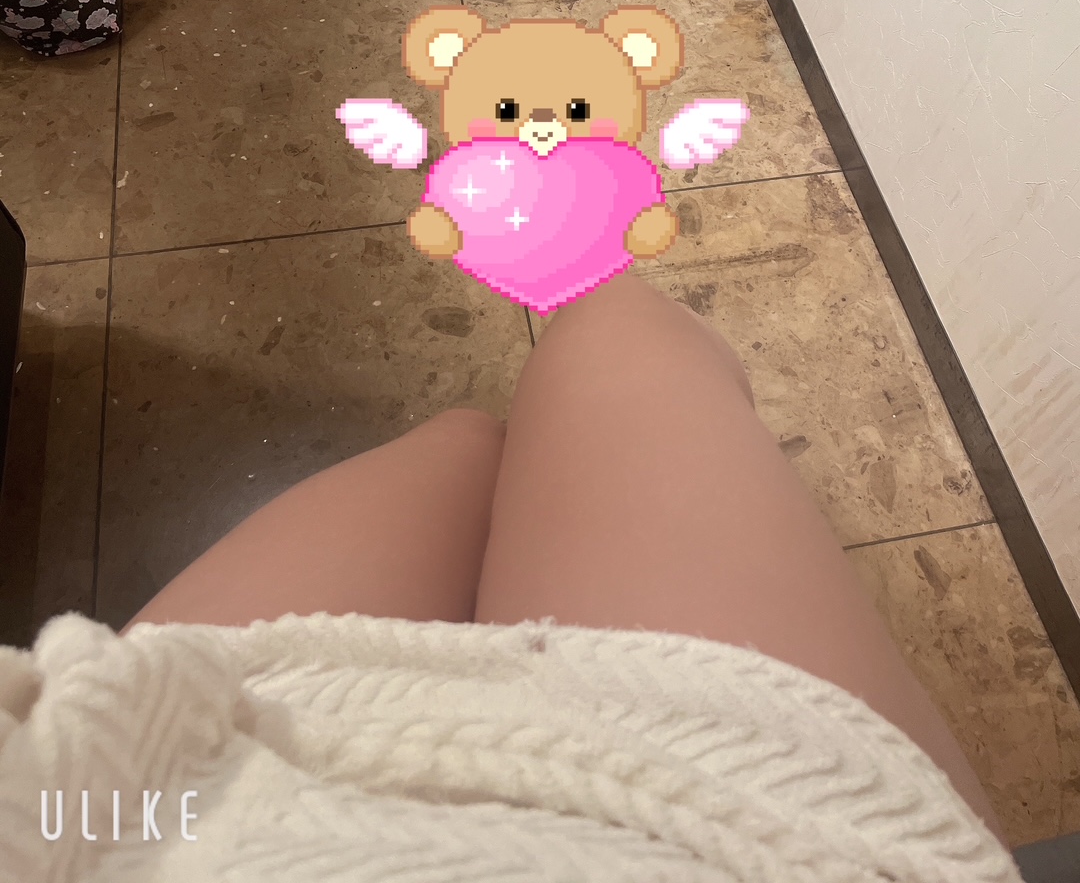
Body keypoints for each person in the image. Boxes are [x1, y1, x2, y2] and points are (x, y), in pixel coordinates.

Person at [3, 274, 1020, 881]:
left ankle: (501, 464)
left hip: (104, 805)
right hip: (714, 824)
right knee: (610, 330)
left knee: (468, 446)